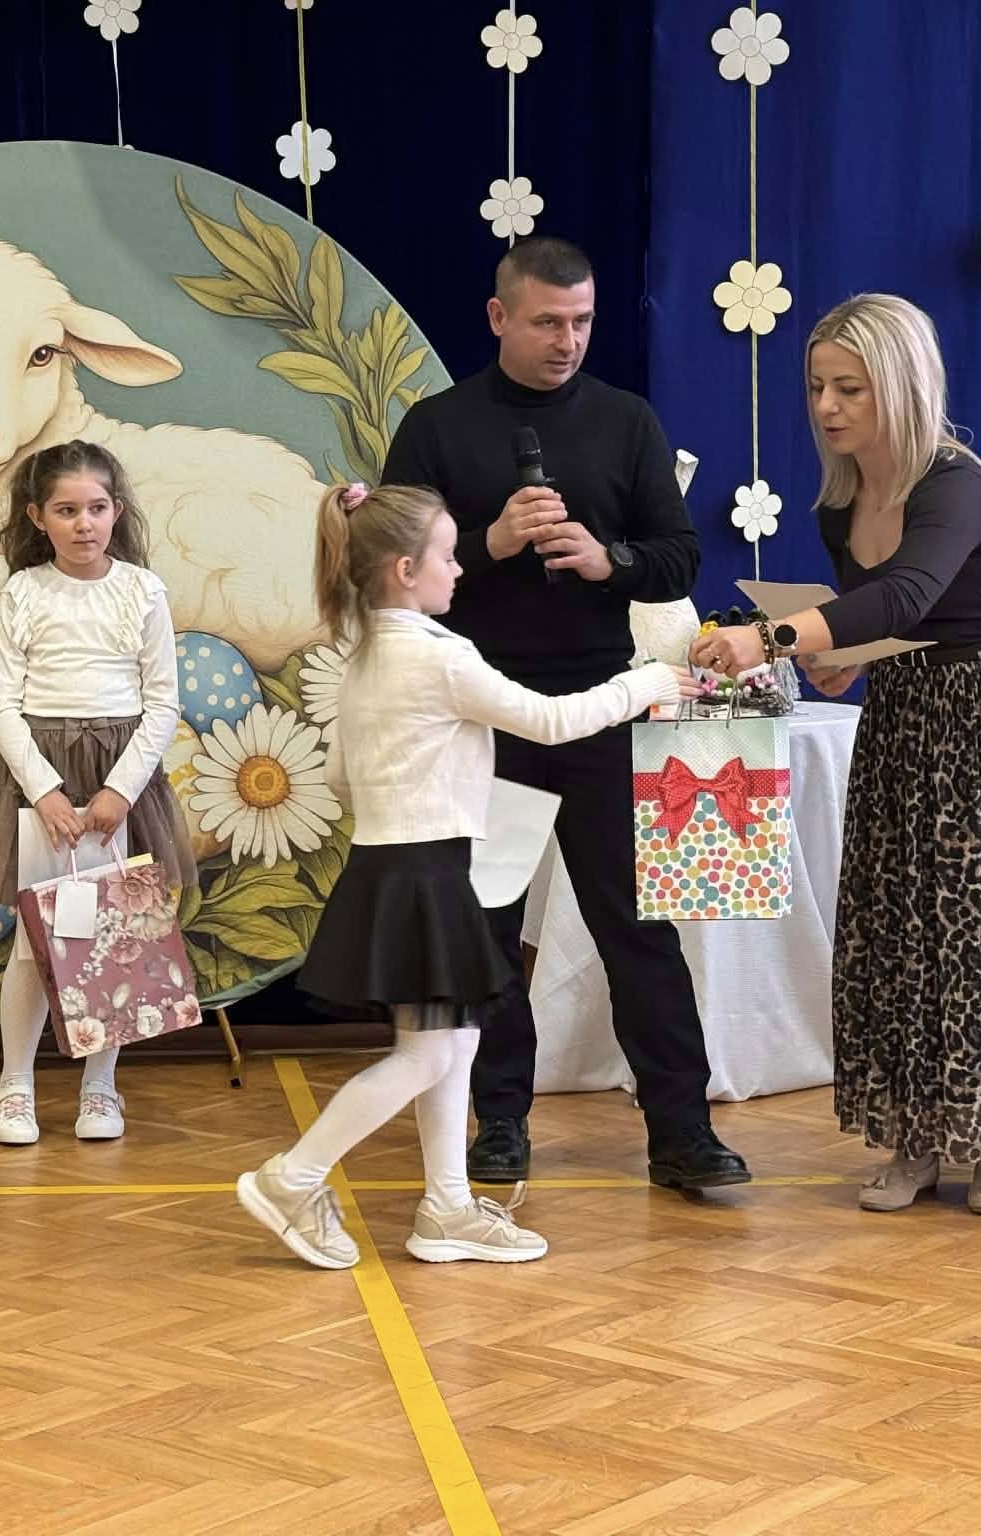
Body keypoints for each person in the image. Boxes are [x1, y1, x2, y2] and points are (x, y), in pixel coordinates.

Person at [689, 293, 981, 1216]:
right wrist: (840, 659)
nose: (827, 406)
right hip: (908, 723)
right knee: (901, 932)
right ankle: (912, 1138)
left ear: (903, 384)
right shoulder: (840, 502)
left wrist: (771, 639)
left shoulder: (956, 482)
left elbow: (909, 592)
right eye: (817, 386)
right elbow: (883, 626)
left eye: (850, 387)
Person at [235, 481, 700, 1268]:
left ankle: (446, 1207)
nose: (461, 570)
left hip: (394, 867)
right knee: (427, 1054)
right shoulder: (440, 656)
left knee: (453, 1042)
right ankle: (292, 1178)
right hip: (429, 871)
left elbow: (342, 775)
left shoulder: (364, 656)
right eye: (449, 557)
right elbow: (550, 722)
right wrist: (645, 684)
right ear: (406, 569)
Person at [380, 236, 750, 1190]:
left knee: (639, 931)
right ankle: (500, 1121)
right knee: (490, 930)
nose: (568, 341)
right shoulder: (435, 427)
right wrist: (492, 543)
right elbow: (390, 578)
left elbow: (678, 557)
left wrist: (607, 561)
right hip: (482, 716)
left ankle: (682, 1131)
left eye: (582, 322)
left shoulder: (626, 420)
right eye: (548, 322)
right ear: (499, 316)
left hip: (601, 710)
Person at [0, 440, 196, 1146]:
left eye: (96, 508)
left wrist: (119, 791)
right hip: (41, 777)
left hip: (118, 777)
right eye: (66, 510)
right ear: (37, 517)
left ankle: (101, 1086)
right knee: (34, 940)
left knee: (112, 937)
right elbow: (1, 703)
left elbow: (162, 704)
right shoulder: (24, 592)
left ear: (116, 512)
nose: (83, 524)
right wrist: (43, 791)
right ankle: (15, 1086)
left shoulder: (142, 590)